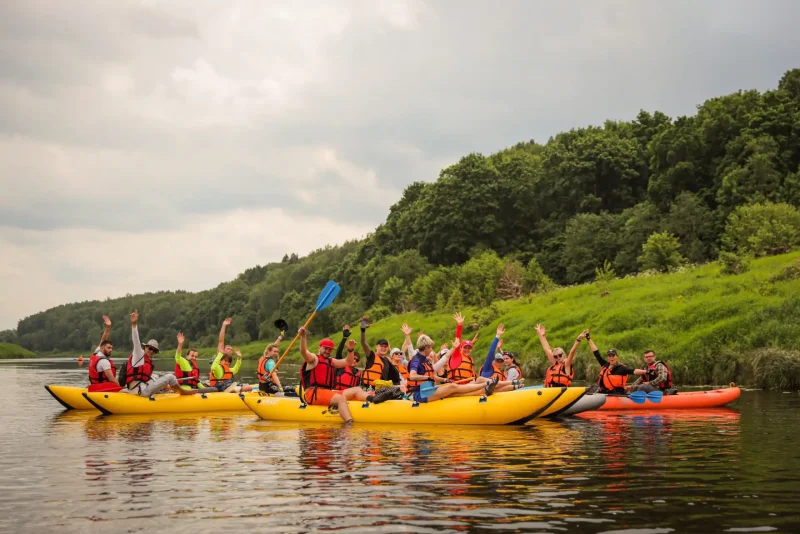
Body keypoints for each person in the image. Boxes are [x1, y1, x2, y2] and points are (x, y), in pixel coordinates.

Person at [298, 327, 387, 424]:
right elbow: (303, 351)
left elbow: (348, 361)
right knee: (341, 398)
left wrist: (350, 350)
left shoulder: (331, 361)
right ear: (319, 347)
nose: (328, 351)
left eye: (330, 350)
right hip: (314, 394)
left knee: (357, 389)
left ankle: (373, 398)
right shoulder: (313, 359)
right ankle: (349, 423)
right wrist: (303, 337)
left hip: (327, 392)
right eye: (325, 348)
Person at [407, 335, 498, 403]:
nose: (431, 350)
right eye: (430, 347)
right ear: (426, 348)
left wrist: (445, 379)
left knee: (453, 393)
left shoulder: (425, 360)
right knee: (453, 387)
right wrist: (427, 378)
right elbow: (412, 376)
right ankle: (487, 383)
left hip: (427, 390)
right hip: (419, 394)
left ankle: (483, 390)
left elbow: (442, 361)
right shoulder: (416, 361)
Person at [125, 310, 195, 396]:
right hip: (140, 391)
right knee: (170, 376)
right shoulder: (138, 354)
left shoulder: (147, 360)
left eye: (154, 350)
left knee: (155, 376)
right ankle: (183, 392)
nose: (151, 351)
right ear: (145, 347)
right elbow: (136, 340)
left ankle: (173, 390)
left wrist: (166, 386)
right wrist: (134, 325)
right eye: (150, 348)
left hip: (141, 389)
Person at [209, 318, 254, 393]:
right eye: (227, 348)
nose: (229, 350)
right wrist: (224, 326)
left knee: (247, 385)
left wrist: (239, 358)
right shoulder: (220, 355)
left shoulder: (228, 366)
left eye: (231, 349)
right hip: (219, 386)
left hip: (228, 384)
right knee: (247, 387)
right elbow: (221, 341)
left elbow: (235, 369)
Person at [359, 316, 401, 388]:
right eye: (381, 346)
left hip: (382, 389)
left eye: (385, 347)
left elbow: (395, 378)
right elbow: (363, 343)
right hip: (369, 388)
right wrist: (363, 330)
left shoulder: (388, 362)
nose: (383, 348)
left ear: (388, 348)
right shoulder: (371, 356)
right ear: (376, 347)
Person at [536, 323, 578, 387]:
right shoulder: (555, 363)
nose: (558, 357)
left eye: (560, 355)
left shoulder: (567, 364)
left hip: (561, 391)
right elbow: (546, 348)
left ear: (564, 355)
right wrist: (541, 335)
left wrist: (578, 340)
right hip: (550, 390)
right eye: (555, 356)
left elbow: (572, 352)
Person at [88, 315, 120, 391]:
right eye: (108, 348)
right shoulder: (104, 361)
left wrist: (108, 327)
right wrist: (120, 388)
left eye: (111, 348)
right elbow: (112, 379)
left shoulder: (97, 352)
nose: (111, 350)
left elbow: (104, 338)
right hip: (103, 389)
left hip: (95, 386)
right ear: (102, 348)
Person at [334, 324, 362, 391]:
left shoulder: (358, 373)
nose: (354, 360)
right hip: (337, 393)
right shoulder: (341, 366)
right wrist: (344, 338)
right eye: (353, 358)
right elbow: (338, 352)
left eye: (357, 360)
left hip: (350, 397)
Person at [257, 330, 285, 394]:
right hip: (269, 387)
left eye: (277, 352)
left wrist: (281, 336)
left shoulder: (263, 357)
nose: (276, 353)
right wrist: (280, 387)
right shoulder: (270, 362)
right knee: (290, 389)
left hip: (261, 386)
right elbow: (274, 375)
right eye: (274, 352)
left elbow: (274, 345)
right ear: (269, 351)